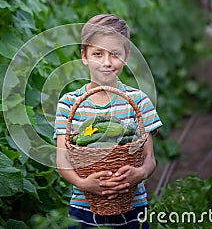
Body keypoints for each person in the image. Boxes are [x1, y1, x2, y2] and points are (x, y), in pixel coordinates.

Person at [54, 14, 162, 228]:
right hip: (84, 206)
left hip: (133, 207)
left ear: (126, 56)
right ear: (84, 56)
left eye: (114, 54)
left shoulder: (138, 101)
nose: (106, 62)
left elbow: (149, 158)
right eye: (97, 53)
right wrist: (84, 183)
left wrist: (139, 173)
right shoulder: (69, 104)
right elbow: (62, 160)